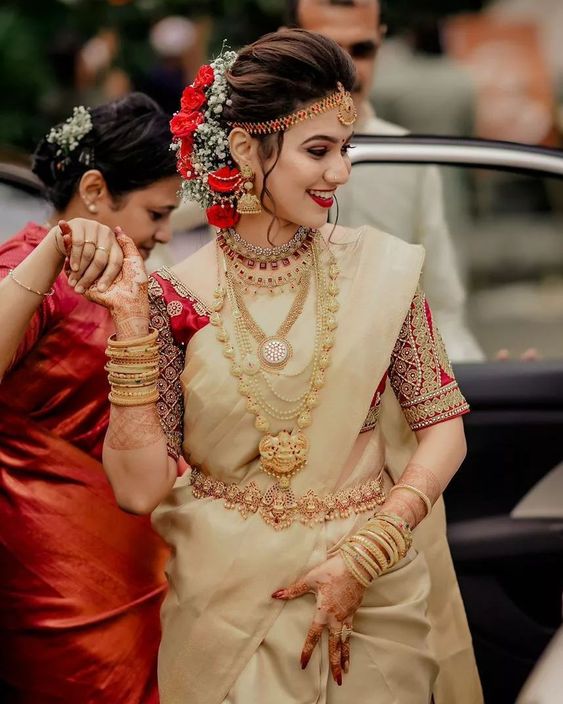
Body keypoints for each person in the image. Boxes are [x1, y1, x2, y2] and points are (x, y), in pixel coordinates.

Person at [73, 30, 482, 703]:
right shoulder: (169, 296)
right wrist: (127, 328)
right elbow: (138, 490)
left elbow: (444, 428)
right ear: (244, 147)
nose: (340, 173)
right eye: (317, 151)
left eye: (344, 150)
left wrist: (371, 547)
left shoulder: (382, 272)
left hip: (373, 599)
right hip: (228, 609)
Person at [0, 93, 179, 703]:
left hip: (140, 556)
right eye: (157, 212)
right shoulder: (30, 273)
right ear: (96, 191)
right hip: (56, 569)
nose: (165, 232)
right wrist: (51, 256)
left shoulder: (127, 285)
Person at [286, 0, 484, 361]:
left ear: (381, 41)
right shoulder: (247, 149)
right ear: (289, 43)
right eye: (328, 51)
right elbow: (156, 222)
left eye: (362, 50)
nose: (347, 71)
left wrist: (480, 387)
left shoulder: (408, 155)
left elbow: (442, 309)